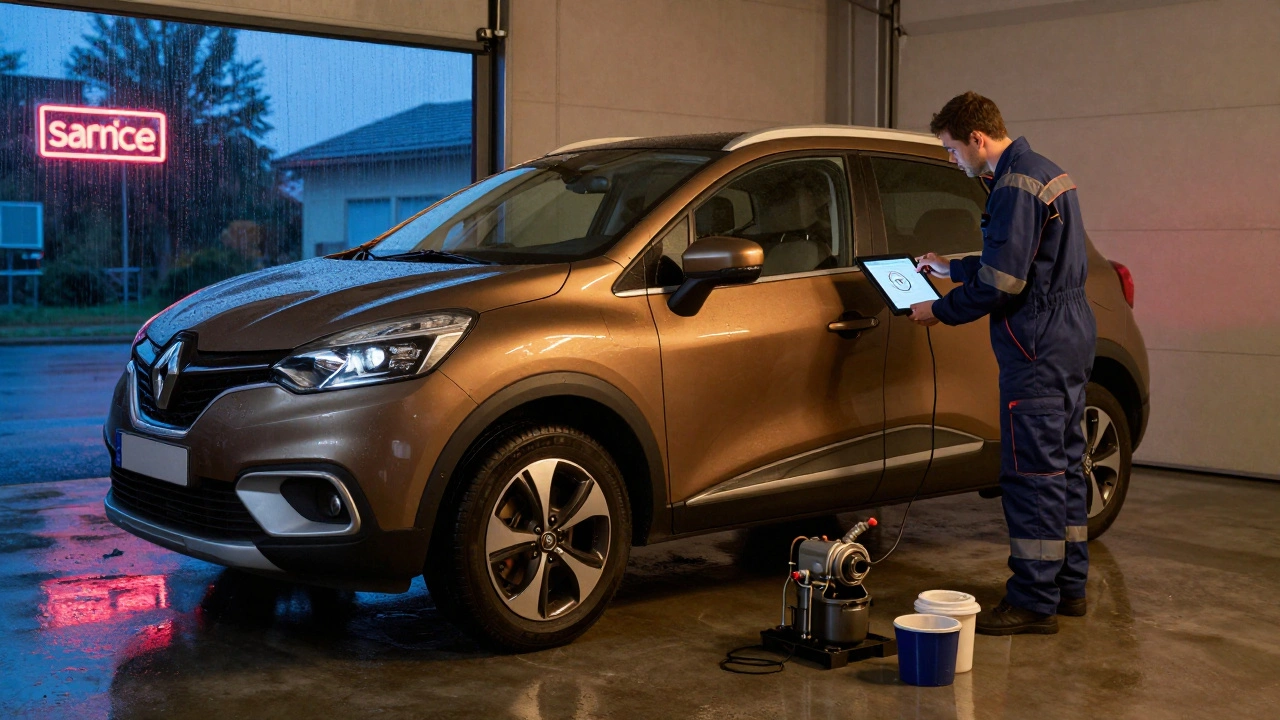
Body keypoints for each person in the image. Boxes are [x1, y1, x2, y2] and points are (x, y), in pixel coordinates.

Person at [909, 92, 1096, 636]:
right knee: (1065, 465)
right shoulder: (1046, 172)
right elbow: (1023, 261)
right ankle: (1069, 587)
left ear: (977, 138)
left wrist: (940, 309)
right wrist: (952, 267)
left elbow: (1004, 284)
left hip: (1035, 344)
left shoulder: (1013, 185)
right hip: (1067, 334)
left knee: (1031, 473)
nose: (952, 160)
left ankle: (1033, 601)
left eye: (952, 149)